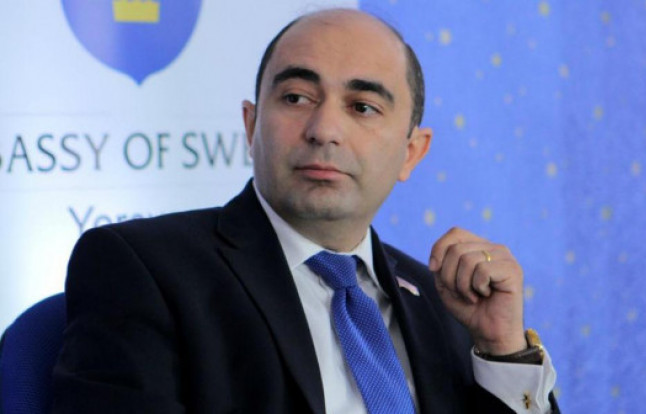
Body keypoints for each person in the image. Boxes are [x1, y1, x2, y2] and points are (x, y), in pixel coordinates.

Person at [52, 8, 559, 414]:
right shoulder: (144, 269)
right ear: (251, 126)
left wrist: (502, 350)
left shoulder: (444, 302)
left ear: (412, 152)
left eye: (362, 107)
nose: (324, 130)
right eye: (296, 98)